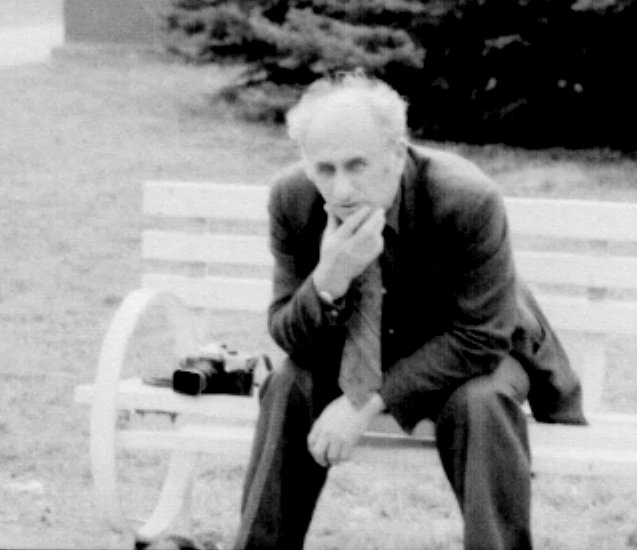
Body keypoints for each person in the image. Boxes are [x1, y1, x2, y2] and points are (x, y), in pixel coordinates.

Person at [231, 72, 587, 550]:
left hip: (470, 353)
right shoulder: (292, 199)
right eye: (325, 169)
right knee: (288, 383)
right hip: (362, 351)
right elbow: (288, 336)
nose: (341, 190)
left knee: (481, 402)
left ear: (396, 155)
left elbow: (481, 337)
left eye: (357, 165)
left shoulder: (466, 199)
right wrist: (329, 279)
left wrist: (365, 403)